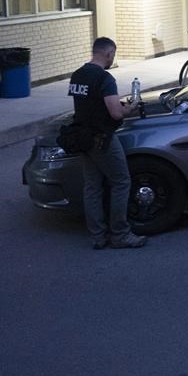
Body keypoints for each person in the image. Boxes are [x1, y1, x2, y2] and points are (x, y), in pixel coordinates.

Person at [68, 37, 147, 250]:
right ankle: (120, 234)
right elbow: (114, 113)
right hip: (102, 139)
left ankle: (98, 236)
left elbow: (88, 106)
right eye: (113, 55)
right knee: (121, 182)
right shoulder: (104, 78)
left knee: (92, 187)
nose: (113, 58)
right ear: (109, 53)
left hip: (82, 138)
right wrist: (130, 107)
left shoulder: (78, 75)